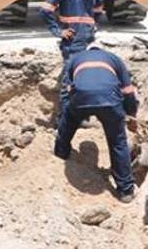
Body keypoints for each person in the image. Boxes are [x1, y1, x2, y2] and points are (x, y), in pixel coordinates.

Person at [54, 41, 139, 202]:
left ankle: (61, 152)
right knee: (118, 142)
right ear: (101, 49)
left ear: (87, 50)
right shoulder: (114, 58)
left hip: (81, 99)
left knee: (68, 124)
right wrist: (131, 116)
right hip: (110, 101)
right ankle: (125, 190)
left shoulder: (75, 58)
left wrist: (65, 115)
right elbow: (128, 92)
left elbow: (66, 91)